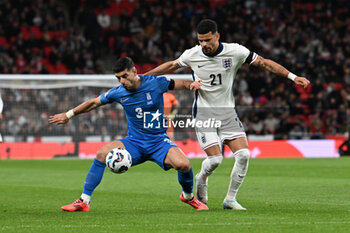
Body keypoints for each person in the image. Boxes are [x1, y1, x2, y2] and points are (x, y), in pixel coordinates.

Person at [144, 19, 310, 210]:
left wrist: (292, 77)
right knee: (215, 160)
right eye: (200, 41)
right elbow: (172, 65)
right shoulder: (192, 54)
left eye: (207, 40)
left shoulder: (236, 51)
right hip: (204, 114)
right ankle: (202, 177)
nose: (204, 45)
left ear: (217, 36)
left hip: (228, 113)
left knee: (244, 155)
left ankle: (230, 199)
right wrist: (144, 77)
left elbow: (264, 63)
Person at [49, 57, 208, 211]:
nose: (122, 81)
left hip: (158, 142)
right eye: (118, 78)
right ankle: (83, 201)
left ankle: (187, 197)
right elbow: (94, 102)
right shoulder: (118, 92)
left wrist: (191, 85)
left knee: (184, 165)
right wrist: (68, 115)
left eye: (125, 76)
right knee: (101, 154)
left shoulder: (156, 83)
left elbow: (181, 84)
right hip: (134, 142)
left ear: (134, 71)